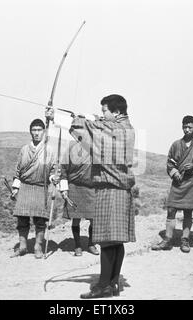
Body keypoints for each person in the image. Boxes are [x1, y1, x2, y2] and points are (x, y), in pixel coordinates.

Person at [54, 94, 136, 299]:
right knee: (115, 241)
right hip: (117, 190)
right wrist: (71, 118)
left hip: (111, 189)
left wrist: (59, 118)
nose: (102, 115)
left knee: (108, 240)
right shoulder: (122, 128)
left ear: (116, 112)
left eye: (105, 111)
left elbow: (91, 131)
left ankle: (103, 286)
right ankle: (112, 284)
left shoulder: (118, 129)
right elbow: (92, 132)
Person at [151, 115, 193, 253]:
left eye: (190, 127)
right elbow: (170, 163)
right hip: (178, 182)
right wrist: (175, 172)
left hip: (191, 182)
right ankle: (167, 240)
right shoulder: (176, 144)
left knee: (188, 212)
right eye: (185, 127)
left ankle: (185, 240)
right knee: (171, 209)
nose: (187, 129)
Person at [10, 119, 57, 259]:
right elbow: (18, 171)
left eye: (39, 130)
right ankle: (23, 246)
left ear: (44, 131)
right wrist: (15, 188)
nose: (36, 133)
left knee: (40, 221)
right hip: (25, 186)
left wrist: (53, 178)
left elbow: (53, 170)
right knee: (22, 220)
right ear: (30, 131)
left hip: (40, 187)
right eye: (34, 130)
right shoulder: (24, 149)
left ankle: (38, 247)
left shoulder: (49, 150)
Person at [58, 136, 99, 257]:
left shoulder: (94, 149)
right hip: (74, 187)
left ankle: (91, 244)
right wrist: (64, 189)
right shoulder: (71, 148)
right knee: (76, 219)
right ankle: (77, 245)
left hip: (90, 188)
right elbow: (64, 169)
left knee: (93, 218)